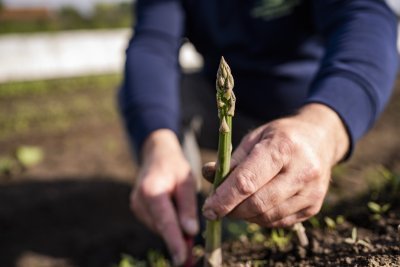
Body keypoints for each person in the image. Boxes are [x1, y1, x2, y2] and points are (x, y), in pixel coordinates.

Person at [118, 0, 398, 265]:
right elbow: (152, 45)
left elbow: (364, 17)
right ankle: (191, 225)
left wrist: (324, 126)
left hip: (304, 108)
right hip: (217, 107)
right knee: (161, 102)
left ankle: (282, 196)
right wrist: (157, 141)